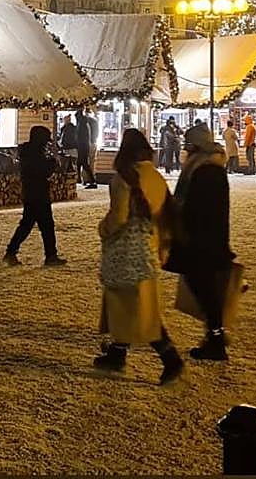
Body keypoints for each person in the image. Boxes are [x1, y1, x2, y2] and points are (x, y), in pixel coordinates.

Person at [92, 128, 184, 383]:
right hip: (149, 246)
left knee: (136, 308)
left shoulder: (123, 178)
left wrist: (103, 228)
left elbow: (119, 217)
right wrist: (164, 246)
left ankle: (170, 358)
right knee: (129, 304)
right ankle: (117, 353)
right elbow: (166, 214)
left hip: (125, 251)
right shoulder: (155, 176)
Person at [169, 124, 234, 361]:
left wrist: (181, 218)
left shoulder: (207, 171)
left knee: (205, 289)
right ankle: (215, 335)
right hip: (203, 239)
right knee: (203, 288)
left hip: (202, 240)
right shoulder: (204, 168)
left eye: (189, 145)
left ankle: (216, 338)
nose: (186, 150)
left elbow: (200, 207)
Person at [4, 126, 67, 266]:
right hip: (38, 193)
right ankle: (50, 255)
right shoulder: (35, 154)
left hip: (31, 192)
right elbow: (42, 171)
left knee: (29, 225)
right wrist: (54, 162)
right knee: (44, 225)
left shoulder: (28, 152)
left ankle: (12, 252)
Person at [75, 108, 98, 189]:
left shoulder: (82, 123)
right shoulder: (86, 122)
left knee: (84, 163)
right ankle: (81, 179)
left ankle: (91, 181)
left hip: (83, 146)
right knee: (81, 163)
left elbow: (82, 136)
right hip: (85, 145)